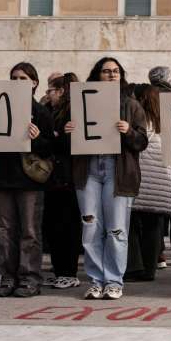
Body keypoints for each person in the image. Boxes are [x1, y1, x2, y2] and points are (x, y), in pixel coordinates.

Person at [60, 56, 149, 300]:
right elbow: (65, 141)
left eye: (116, 71)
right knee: (90, 226)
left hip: (116, 170)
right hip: (88, 168)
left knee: (117, 229)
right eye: (106, 71)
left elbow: (142, 142)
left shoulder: (131, 105)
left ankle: (114, 280)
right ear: (97, 75)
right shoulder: (80, 102)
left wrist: (128, 131)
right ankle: (96, 280)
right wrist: (68, 132)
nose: (111, 75)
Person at [0, 62, 55, 297]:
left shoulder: (41, 112)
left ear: (34, 82)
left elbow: (49, 150)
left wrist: (36, 138)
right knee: (3, 231)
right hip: (3, 178)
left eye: (23, 78)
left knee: (29, 232)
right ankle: (7, 276)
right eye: (14, 78)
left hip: (29, 181)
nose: (17, 82)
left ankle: (29, 278)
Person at [124, 83, 171, 282]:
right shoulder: (166, 123)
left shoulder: (138, 121)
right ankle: (150, 269)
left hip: (140, 181)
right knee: (154, 228)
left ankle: (134, 267)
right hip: (162, 184)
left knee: (132, 224)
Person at [41, 73, 82, 289]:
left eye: (51, 90)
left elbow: (67, 144)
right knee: (53, 226)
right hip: (53, 178)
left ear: (61, 91)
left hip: (68, 178)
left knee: (67, 226)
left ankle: (68, 271)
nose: (48, 94)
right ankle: (60, 271)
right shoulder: (51, 111)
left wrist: (57, 137)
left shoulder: (73, 113)